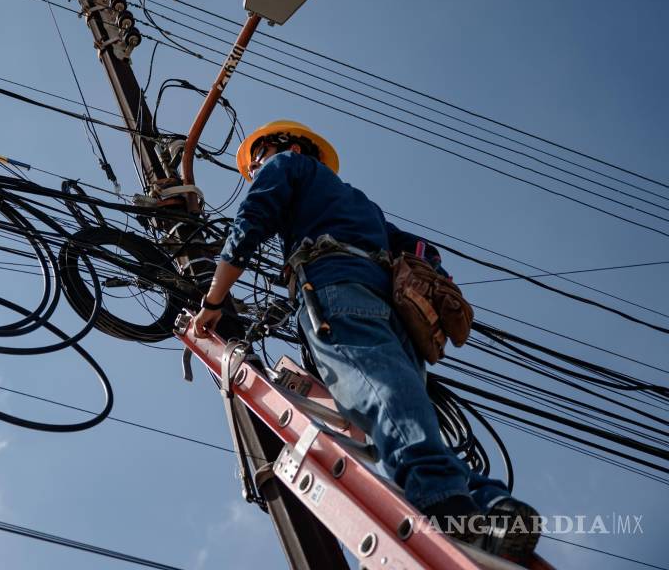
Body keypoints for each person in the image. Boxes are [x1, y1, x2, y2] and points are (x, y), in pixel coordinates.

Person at [190, 120, 541, 563]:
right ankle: (489, 504)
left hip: (335, 290)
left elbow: (252, 219)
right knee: (406, 416)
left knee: (384, 403)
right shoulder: (361, 204)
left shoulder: (286, 167)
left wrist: (214, 300)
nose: (256, 169)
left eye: (257, 159)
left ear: (289, 147)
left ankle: (450, 511)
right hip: (393, 310)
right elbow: (422, 251)